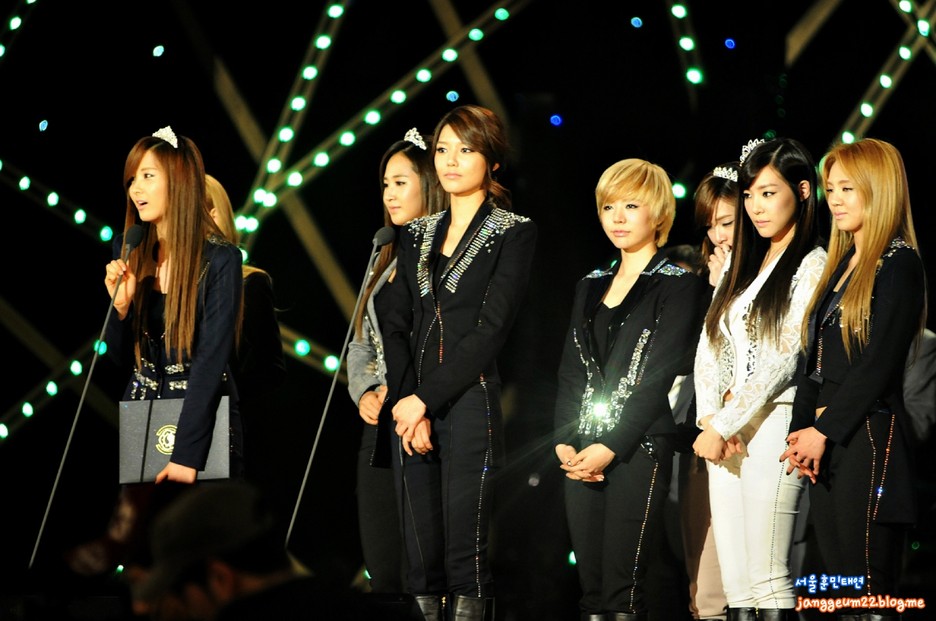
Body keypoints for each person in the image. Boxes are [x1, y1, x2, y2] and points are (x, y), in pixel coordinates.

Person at [382, 104, 537, 621]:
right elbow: (396, 323)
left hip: (470, 401)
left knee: (464, 558)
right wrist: (410, 401)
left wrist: (424, 399)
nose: (450, 161)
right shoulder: (415, 233)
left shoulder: (513, 231)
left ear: (492, 160)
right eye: (443, 150)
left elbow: (491, 330)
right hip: (411, 408)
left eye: (465, 150)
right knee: (418, 561)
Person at [554, 158, 710, 621]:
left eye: (631, 205)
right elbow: (570, 370)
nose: (617, 217)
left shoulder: (679, 286)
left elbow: (657, 376)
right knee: (590, 590)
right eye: (608, 207)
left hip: (638, 445)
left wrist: (610, 447)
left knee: (622, 590)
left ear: (658, 214)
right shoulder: (590, 284)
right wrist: (564, 441)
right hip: (581, 448)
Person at [781, 138, 927, 620]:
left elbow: (878, 365)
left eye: (848, 188)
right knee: (841, 592)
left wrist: (822, 431)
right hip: (828, 442)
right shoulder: (840, 266)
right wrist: (800, 433)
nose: (836, 200)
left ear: (878, 189)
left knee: (866, 589)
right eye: (831, 188)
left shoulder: (899, 263)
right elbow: (813, 364)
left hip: (867, 436)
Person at [692, 137, 827, 621]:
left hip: (775, 421)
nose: (756, 206)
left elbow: (785, 356)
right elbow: (709, 345)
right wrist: (711, 418)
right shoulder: (740, 262)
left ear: (803, 191)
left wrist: (726, 422)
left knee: (768, 575)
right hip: (724, 429)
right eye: (749, 195)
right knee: (736, 582)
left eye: (769, 193)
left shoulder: (812, 263)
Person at [346, 128, 442, 594]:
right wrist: (365, 390)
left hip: (424, 418)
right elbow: (360, 342)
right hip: (380, 423)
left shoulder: (445, 258)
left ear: (430, 185)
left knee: (422, 564)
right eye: (386, 184)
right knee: (382, 563)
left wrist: (413, 397)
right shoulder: (383, 256)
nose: (390, 193)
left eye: (401, 182)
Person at [205, 173, 287, 508]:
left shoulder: (248, 284)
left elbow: (270, 369)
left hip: (221, 427)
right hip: (158, 425)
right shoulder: (154, 283)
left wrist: (219, 393)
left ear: (215, 214)